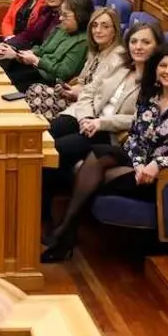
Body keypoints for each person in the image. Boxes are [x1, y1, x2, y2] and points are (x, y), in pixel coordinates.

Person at [41, 42, 168, 262]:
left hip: (161, 175)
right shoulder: (150, 97)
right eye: (163, 66)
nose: (167, 71)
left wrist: (157, 164)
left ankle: (65, 232)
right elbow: (136, 137)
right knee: (97, 154)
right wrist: (138, 162)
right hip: (137, 161)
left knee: (92, 170)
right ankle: (66, 231)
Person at [40, 19, 158, 225]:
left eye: (146, 43)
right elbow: (89, 91)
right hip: (88, 117)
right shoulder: (119, 64)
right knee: (45, 137)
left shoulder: (157, 78)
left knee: (56, 150)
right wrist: (85, 116)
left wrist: (101, 122)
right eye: (134, 41)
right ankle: (36, 202)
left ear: (157, 45)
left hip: (111, 133)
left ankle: (44, 215)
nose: (138, 47)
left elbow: (141, 118)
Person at [0, 0, 93, 93]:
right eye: (61, 14)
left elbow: (63, 73)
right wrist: (18, 54)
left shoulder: (83, 41)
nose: (60, 18)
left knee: (7, 85)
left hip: (49, 81)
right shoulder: (61, 28)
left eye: (65, 15)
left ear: (80, 17)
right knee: (3, 67)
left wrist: (37, 61)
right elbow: (42, 49)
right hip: (36, 67)